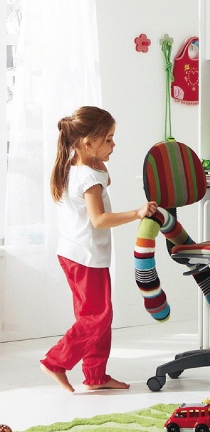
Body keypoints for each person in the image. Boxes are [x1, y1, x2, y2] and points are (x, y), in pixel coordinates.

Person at [40, 106, 158, 392]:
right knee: (97, 317)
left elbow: (105, 179)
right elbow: (99, 219)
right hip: (85, 256)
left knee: (99, 317)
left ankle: (95, 376)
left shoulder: (78, 166)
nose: (113, 145)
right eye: (108, 139)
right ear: (87, 143)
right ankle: (56, 361)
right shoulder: (88, 178)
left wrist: (99, 160)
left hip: (78, 253)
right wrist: (137, 213)